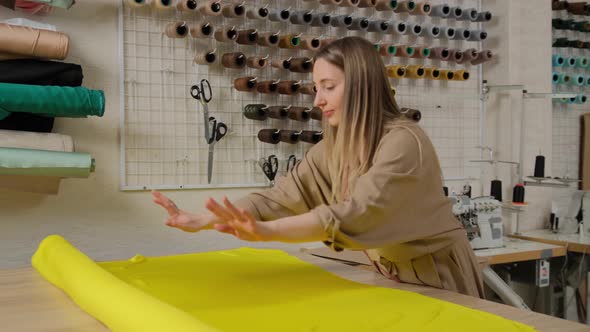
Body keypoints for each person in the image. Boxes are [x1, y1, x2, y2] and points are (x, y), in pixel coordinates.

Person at [152, 36, 485, 298]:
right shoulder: (333, 148)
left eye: (329, 87)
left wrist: (270, 233)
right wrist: (204, 219)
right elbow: (279, 198)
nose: (317, 100)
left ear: (361, 85)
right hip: (390, 272)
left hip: (438, 273)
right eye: (316, 88)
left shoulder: (404, 142)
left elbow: (356, 213)